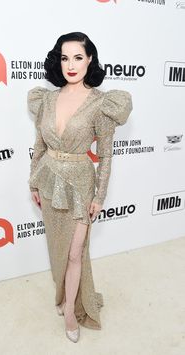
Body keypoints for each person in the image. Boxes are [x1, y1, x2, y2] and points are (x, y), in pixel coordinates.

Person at [27, 31, 133, 343]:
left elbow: (106, 155)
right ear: (58, 61)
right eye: (64, 57)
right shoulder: (44, 99)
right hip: (48, 180)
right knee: (57, 248)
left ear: (89, 60)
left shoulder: (103, 104)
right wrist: (33, 180)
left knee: (75, 252)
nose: (71, 65)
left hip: (81, 182)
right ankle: (62, 296)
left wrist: (100, 197)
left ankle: (72, 311)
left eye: (78, 57)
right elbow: (39, 145)